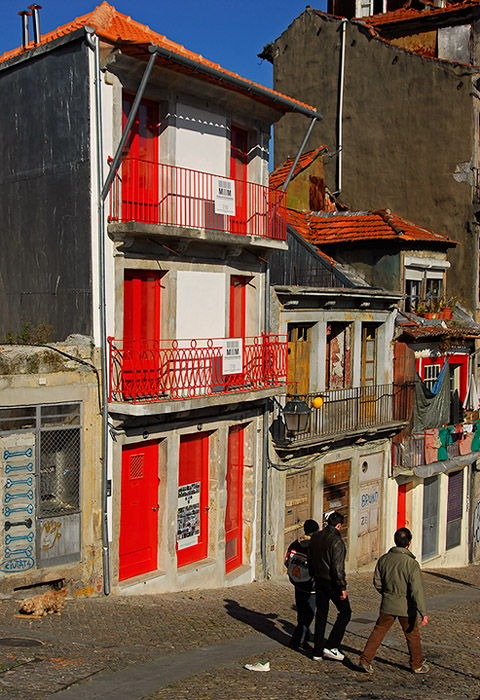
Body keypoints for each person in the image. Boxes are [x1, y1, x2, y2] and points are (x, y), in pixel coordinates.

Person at [359, 527, 429, 675]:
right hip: (406, 606)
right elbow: (417, 589)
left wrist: (386, 594)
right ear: (409, 543)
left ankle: (365, 660)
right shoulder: (411, 564)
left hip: (388, 603)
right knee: (412, 635)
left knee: (378, 631)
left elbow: (377, 582)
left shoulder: (384, 559)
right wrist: (423, 612)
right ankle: (416, 664)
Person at [309, 511, 351, 661]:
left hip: (318, 579)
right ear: (339, 525)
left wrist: (313, 574)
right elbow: (338, 568)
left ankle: (317, 651)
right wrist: (342, 587)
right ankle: (332, 645)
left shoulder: (316, 536)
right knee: (345, 612)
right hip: (331, 581)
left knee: (321, 614)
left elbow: (310, 558)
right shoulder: (337, 542)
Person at [284, 519, 319, 649]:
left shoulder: (295, 544)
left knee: (301, 611)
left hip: (297, 583)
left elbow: (287, 560)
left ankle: (304, 636)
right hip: (311, 586)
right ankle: (298, 639)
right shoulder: (314, 546)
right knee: (309, 613)